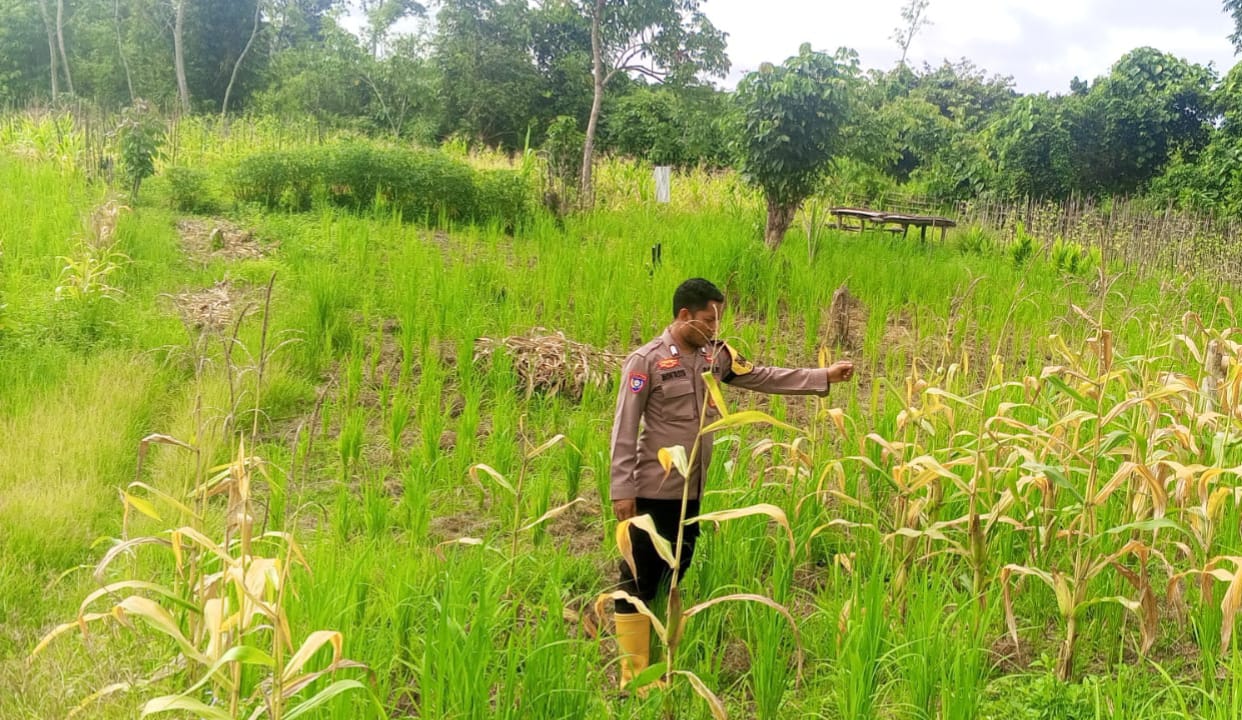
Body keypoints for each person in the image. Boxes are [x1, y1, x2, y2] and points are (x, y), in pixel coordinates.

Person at [608, 277, 855, 691]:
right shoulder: (646, 361)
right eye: (708, 320)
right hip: (654, 486)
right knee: (639, 575)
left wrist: (822, 376)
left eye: (718, 321)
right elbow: (624, 427)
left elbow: (759, 375)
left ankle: (659, 651)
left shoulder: (713, 357)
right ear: (684, 316)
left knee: (678, 565)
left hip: (694, 488)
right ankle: (633, 674)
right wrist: (622, 489)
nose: (715, 329)